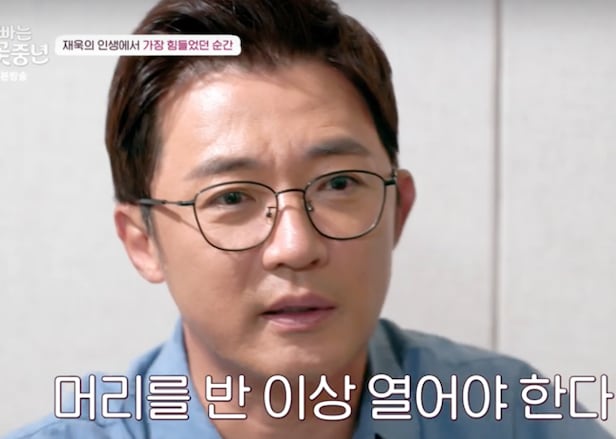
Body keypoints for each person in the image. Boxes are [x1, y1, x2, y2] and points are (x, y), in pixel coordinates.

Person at [5, 0, 613, 438]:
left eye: (339, 184)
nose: (296, 246)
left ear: (397, 209)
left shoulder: (518, 421)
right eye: (231, 197)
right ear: (143, 241)